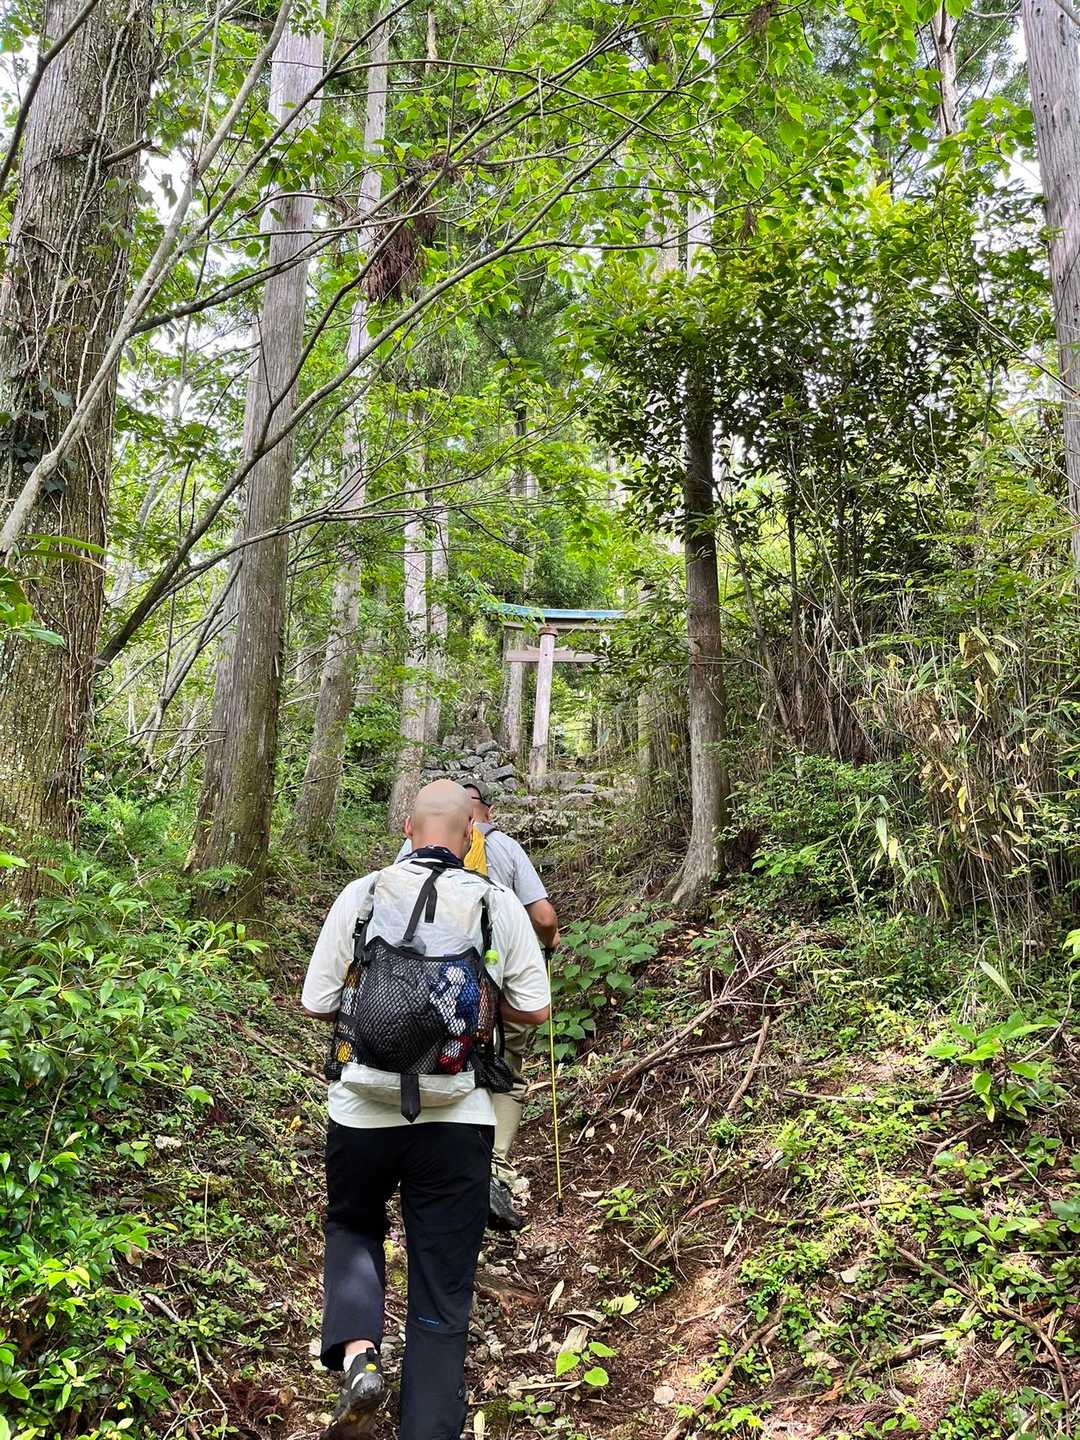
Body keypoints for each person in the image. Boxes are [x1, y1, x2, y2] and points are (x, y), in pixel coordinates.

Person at [302, 779, 550, 1437]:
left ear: (407, 830)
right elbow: (535, 1008)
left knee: (353, 1224)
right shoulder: (497, 904)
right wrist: (475, 1004)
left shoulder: (362, 895)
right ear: (470, 836)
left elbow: (316, 1001)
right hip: (456, 1115)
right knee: (443, 1281)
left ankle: (359, 1354)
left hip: (360, 1107)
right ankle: (428, 1426)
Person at [397, 777, 559, 1231]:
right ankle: (494, 1167)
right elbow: (543, 916)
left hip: (425, 988)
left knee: (435, 1066)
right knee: (506, 1075)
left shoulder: (412, 848)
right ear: (484, 814)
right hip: (499, 990)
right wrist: (550, 941)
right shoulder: (506, 847)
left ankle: (426, 1160)